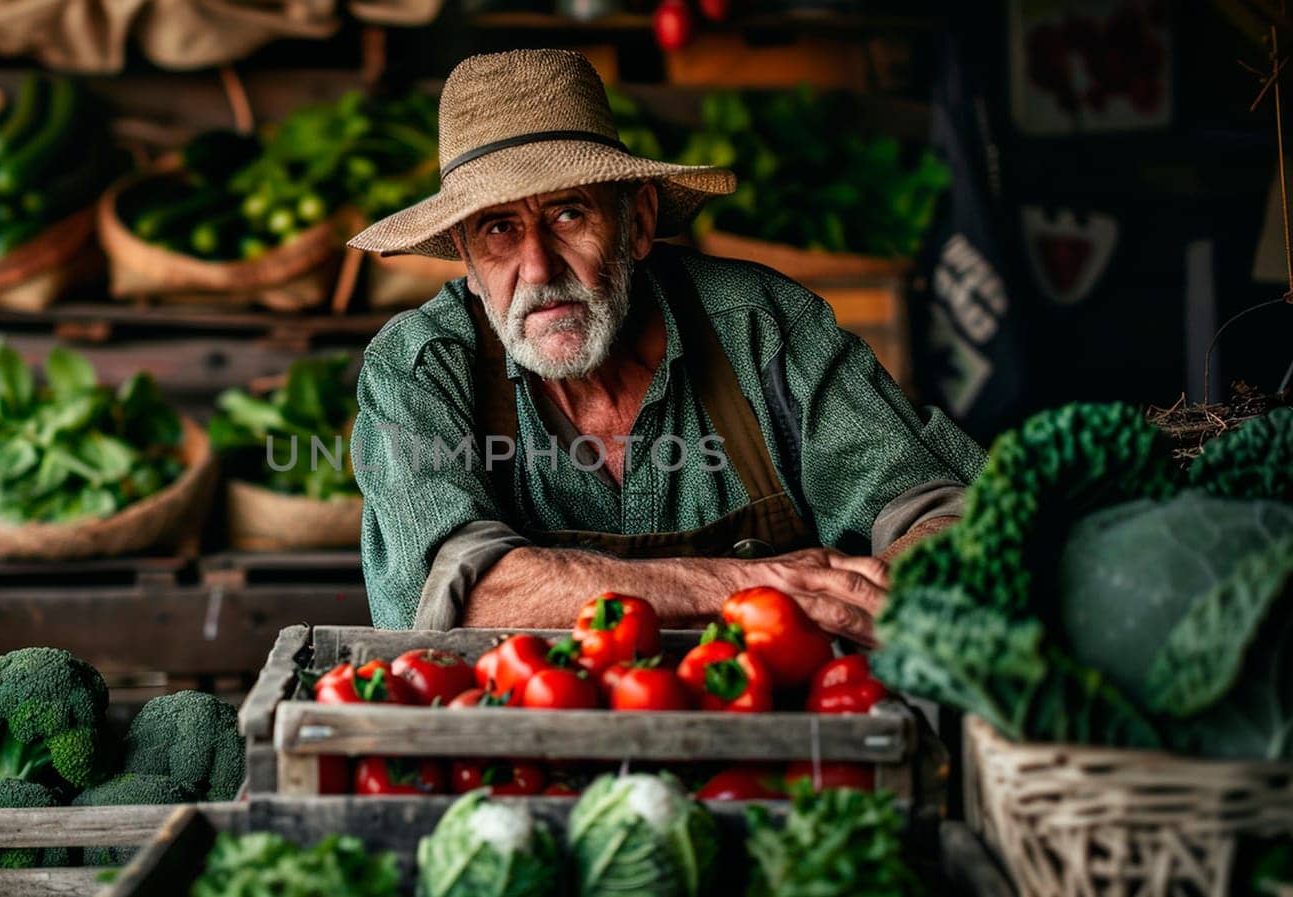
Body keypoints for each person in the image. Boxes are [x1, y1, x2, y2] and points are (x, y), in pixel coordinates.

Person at [346, 49, 985, 642]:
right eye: (498, 229)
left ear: (639, 221)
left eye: (569, 215)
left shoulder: (761, 326)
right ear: (465, 255)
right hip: (522, 750)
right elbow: (466, 599)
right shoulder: (419, 367)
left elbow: (937, 509)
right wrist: (759, 585)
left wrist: (900, 581)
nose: (538, 267)